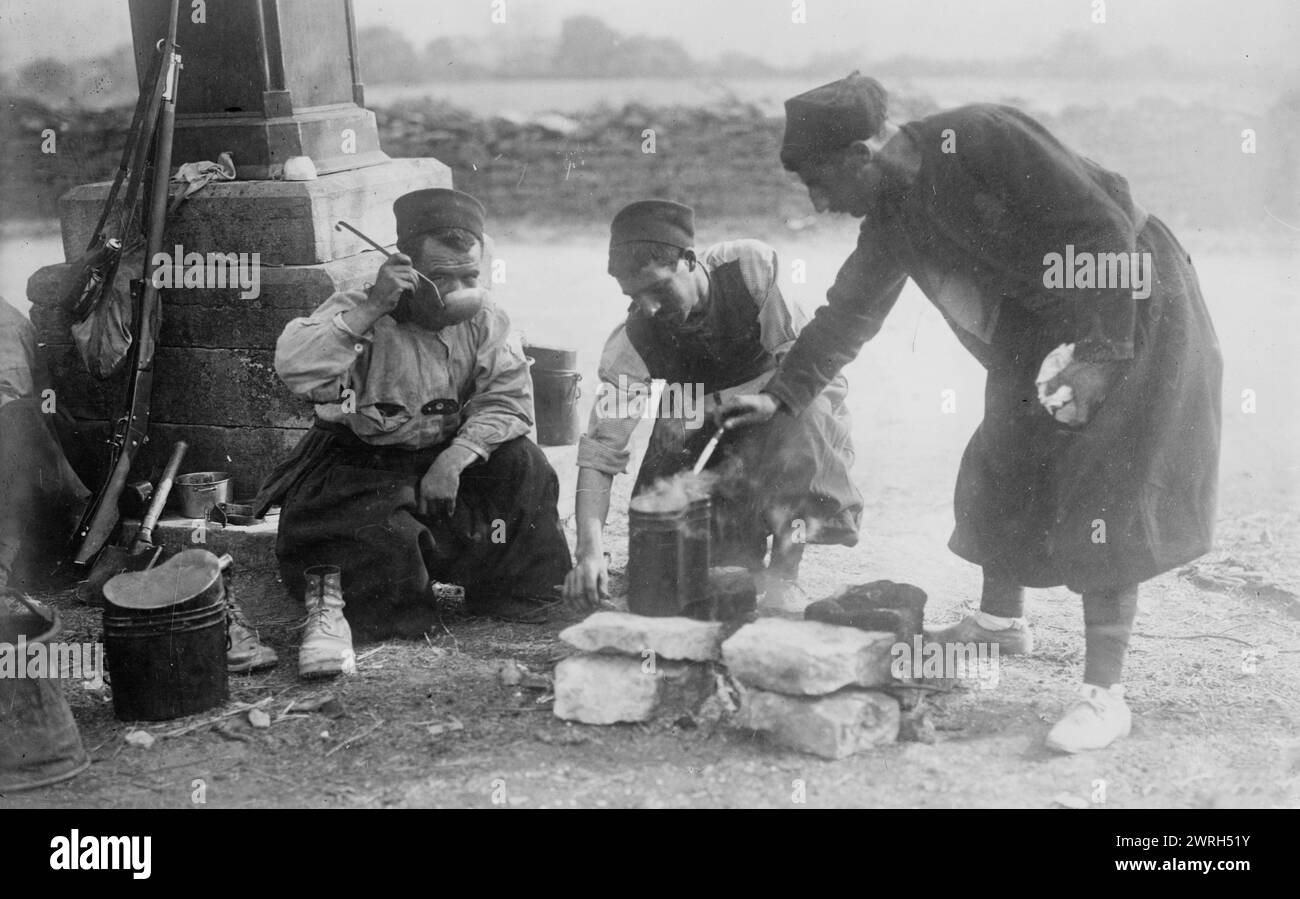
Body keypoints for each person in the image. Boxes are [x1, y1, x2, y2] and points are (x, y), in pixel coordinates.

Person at [719, 73, 1222, 753]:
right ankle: (999, 622)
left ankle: (1105, 695)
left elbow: (1100, 227)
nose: (817, 202)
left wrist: (1102, 356)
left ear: (861, 154)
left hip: (1129, 297)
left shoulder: (984, 137)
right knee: (1003, 454)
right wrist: (780, 396)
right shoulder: (892, 215)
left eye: (818, 181)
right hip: (1045, 320)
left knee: (1103, 487)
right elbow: (848, 312)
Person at [255, 188, 572, 676]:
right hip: (364, 468)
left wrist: (457, 456)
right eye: (443, 278)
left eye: (471, 276)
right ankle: (394, 604)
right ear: (408, 270)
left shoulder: (485, 318)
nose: (461, 289)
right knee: (377, 555)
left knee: (523, 464)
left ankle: (510, 592)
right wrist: (373, 308)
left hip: (443, 466)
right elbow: (296, 369)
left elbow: (507, 398)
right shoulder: (360, 312)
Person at [565, 200, 862, 610]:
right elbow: (601, 449)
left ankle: (784, 576)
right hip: (692, 425)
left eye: (658, 289)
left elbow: (805, 368)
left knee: (804, 418)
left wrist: (713, 402)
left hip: (778, 412)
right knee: (675, 575)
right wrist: (590, 551)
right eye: (635, 296)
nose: (649, 307)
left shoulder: (750, 269)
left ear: (689, 260)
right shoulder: (632, 340)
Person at [0, 296, 90, 590]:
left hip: (24, 442)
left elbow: (30, 396)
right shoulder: (13, 322)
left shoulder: (12, 326)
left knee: (19, 420)